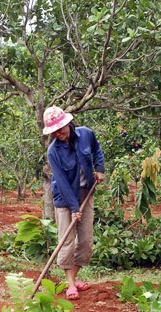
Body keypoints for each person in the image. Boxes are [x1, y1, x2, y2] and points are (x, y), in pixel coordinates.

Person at [43, 106, 105, 300]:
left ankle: (73, 278)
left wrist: (100, 168)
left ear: (68, 123)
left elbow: (97, 150)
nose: (59, 134)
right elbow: (61, 181)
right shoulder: (53, 151)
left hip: (86, 193)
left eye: (61, 130)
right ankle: (70, 285)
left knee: (85, 242)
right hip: (65, 199)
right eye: (54, 132)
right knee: (67, 242)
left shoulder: (86, 134)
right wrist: (74, 208)